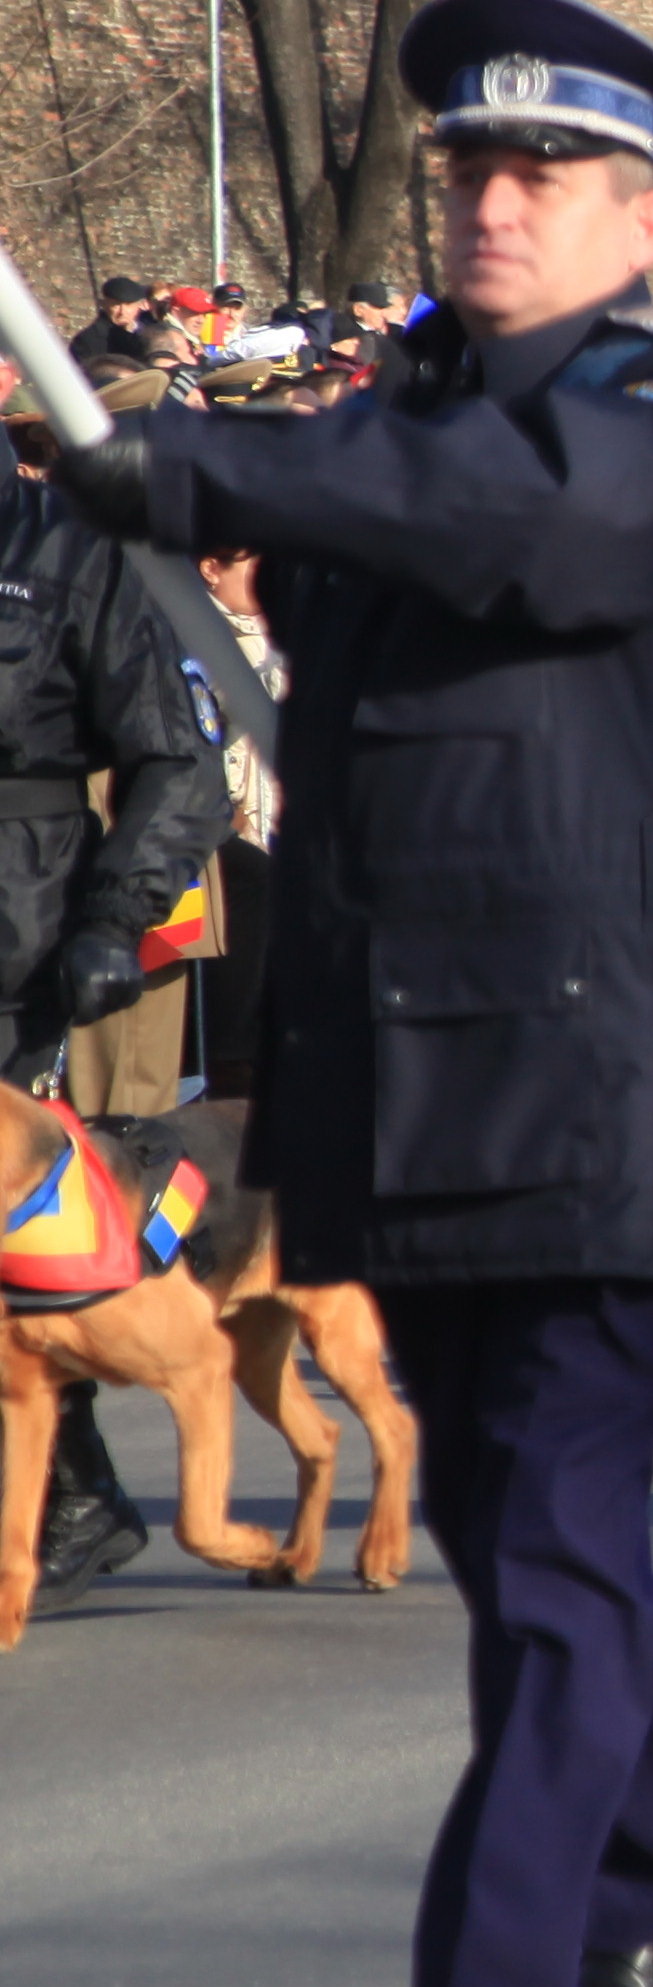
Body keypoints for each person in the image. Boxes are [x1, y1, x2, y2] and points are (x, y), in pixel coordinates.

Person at [60, 0, 653, 1987]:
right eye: (466, 167)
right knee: (495, 1515)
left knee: (559, 1533)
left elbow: (525, 529)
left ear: (641, 213)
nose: (490, 199)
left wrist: (198, 463)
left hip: (606, 1080)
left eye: (542, 174)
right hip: (406, 1083)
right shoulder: (394, 426)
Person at [0, 357, 239, 1595]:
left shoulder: (65, 551)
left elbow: (178, 764)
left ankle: (78, 1495)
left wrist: (111, 919)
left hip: (18, 921)